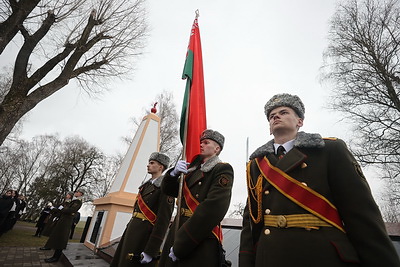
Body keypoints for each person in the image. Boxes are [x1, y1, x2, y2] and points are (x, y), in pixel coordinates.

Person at [239, 93, 400, 267]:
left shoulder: (329, 150)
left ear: (299, 121)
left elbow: (360, 213)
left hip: (321, 255)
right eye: (271, 116)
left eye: (284, 112)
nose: (276, 116)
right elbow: (251, 222)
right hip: (270, 256)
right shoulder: (257, 164)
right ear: (270, 128)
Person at [159, 129, 234, 267]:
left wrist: (181, 244)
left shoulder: (222, 169)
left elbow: (213, 208)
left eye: (206, 142)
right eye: (201, 142)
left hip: (198, 236)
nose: (201, 145)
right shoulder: (193, 171)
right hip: (177, 229)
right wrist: (173, 174)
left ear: (217, 148)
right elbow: (169, 190)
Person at [111, 152, 174, 267]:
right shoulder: (145, 187)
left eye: (152, 163)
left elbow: (163, 221)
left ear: (161, 167)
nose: (148, 165)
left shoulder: (165, 188)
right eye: (149, 163)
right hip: (132, 231)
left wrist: (151, 250)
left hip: (144, 236)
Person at [41, 189, 84, 263]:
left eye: (77, 192)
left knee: (61, 239)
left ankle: (56, 257)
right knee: (58, 237)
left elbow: (71, 210)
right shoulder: (74, 201)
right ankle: (54, 256)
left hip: (66, 221)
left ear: (81, 193)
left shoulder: (78, 202)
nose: (75, 193)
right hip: (63, 220)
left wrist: (62, 209)